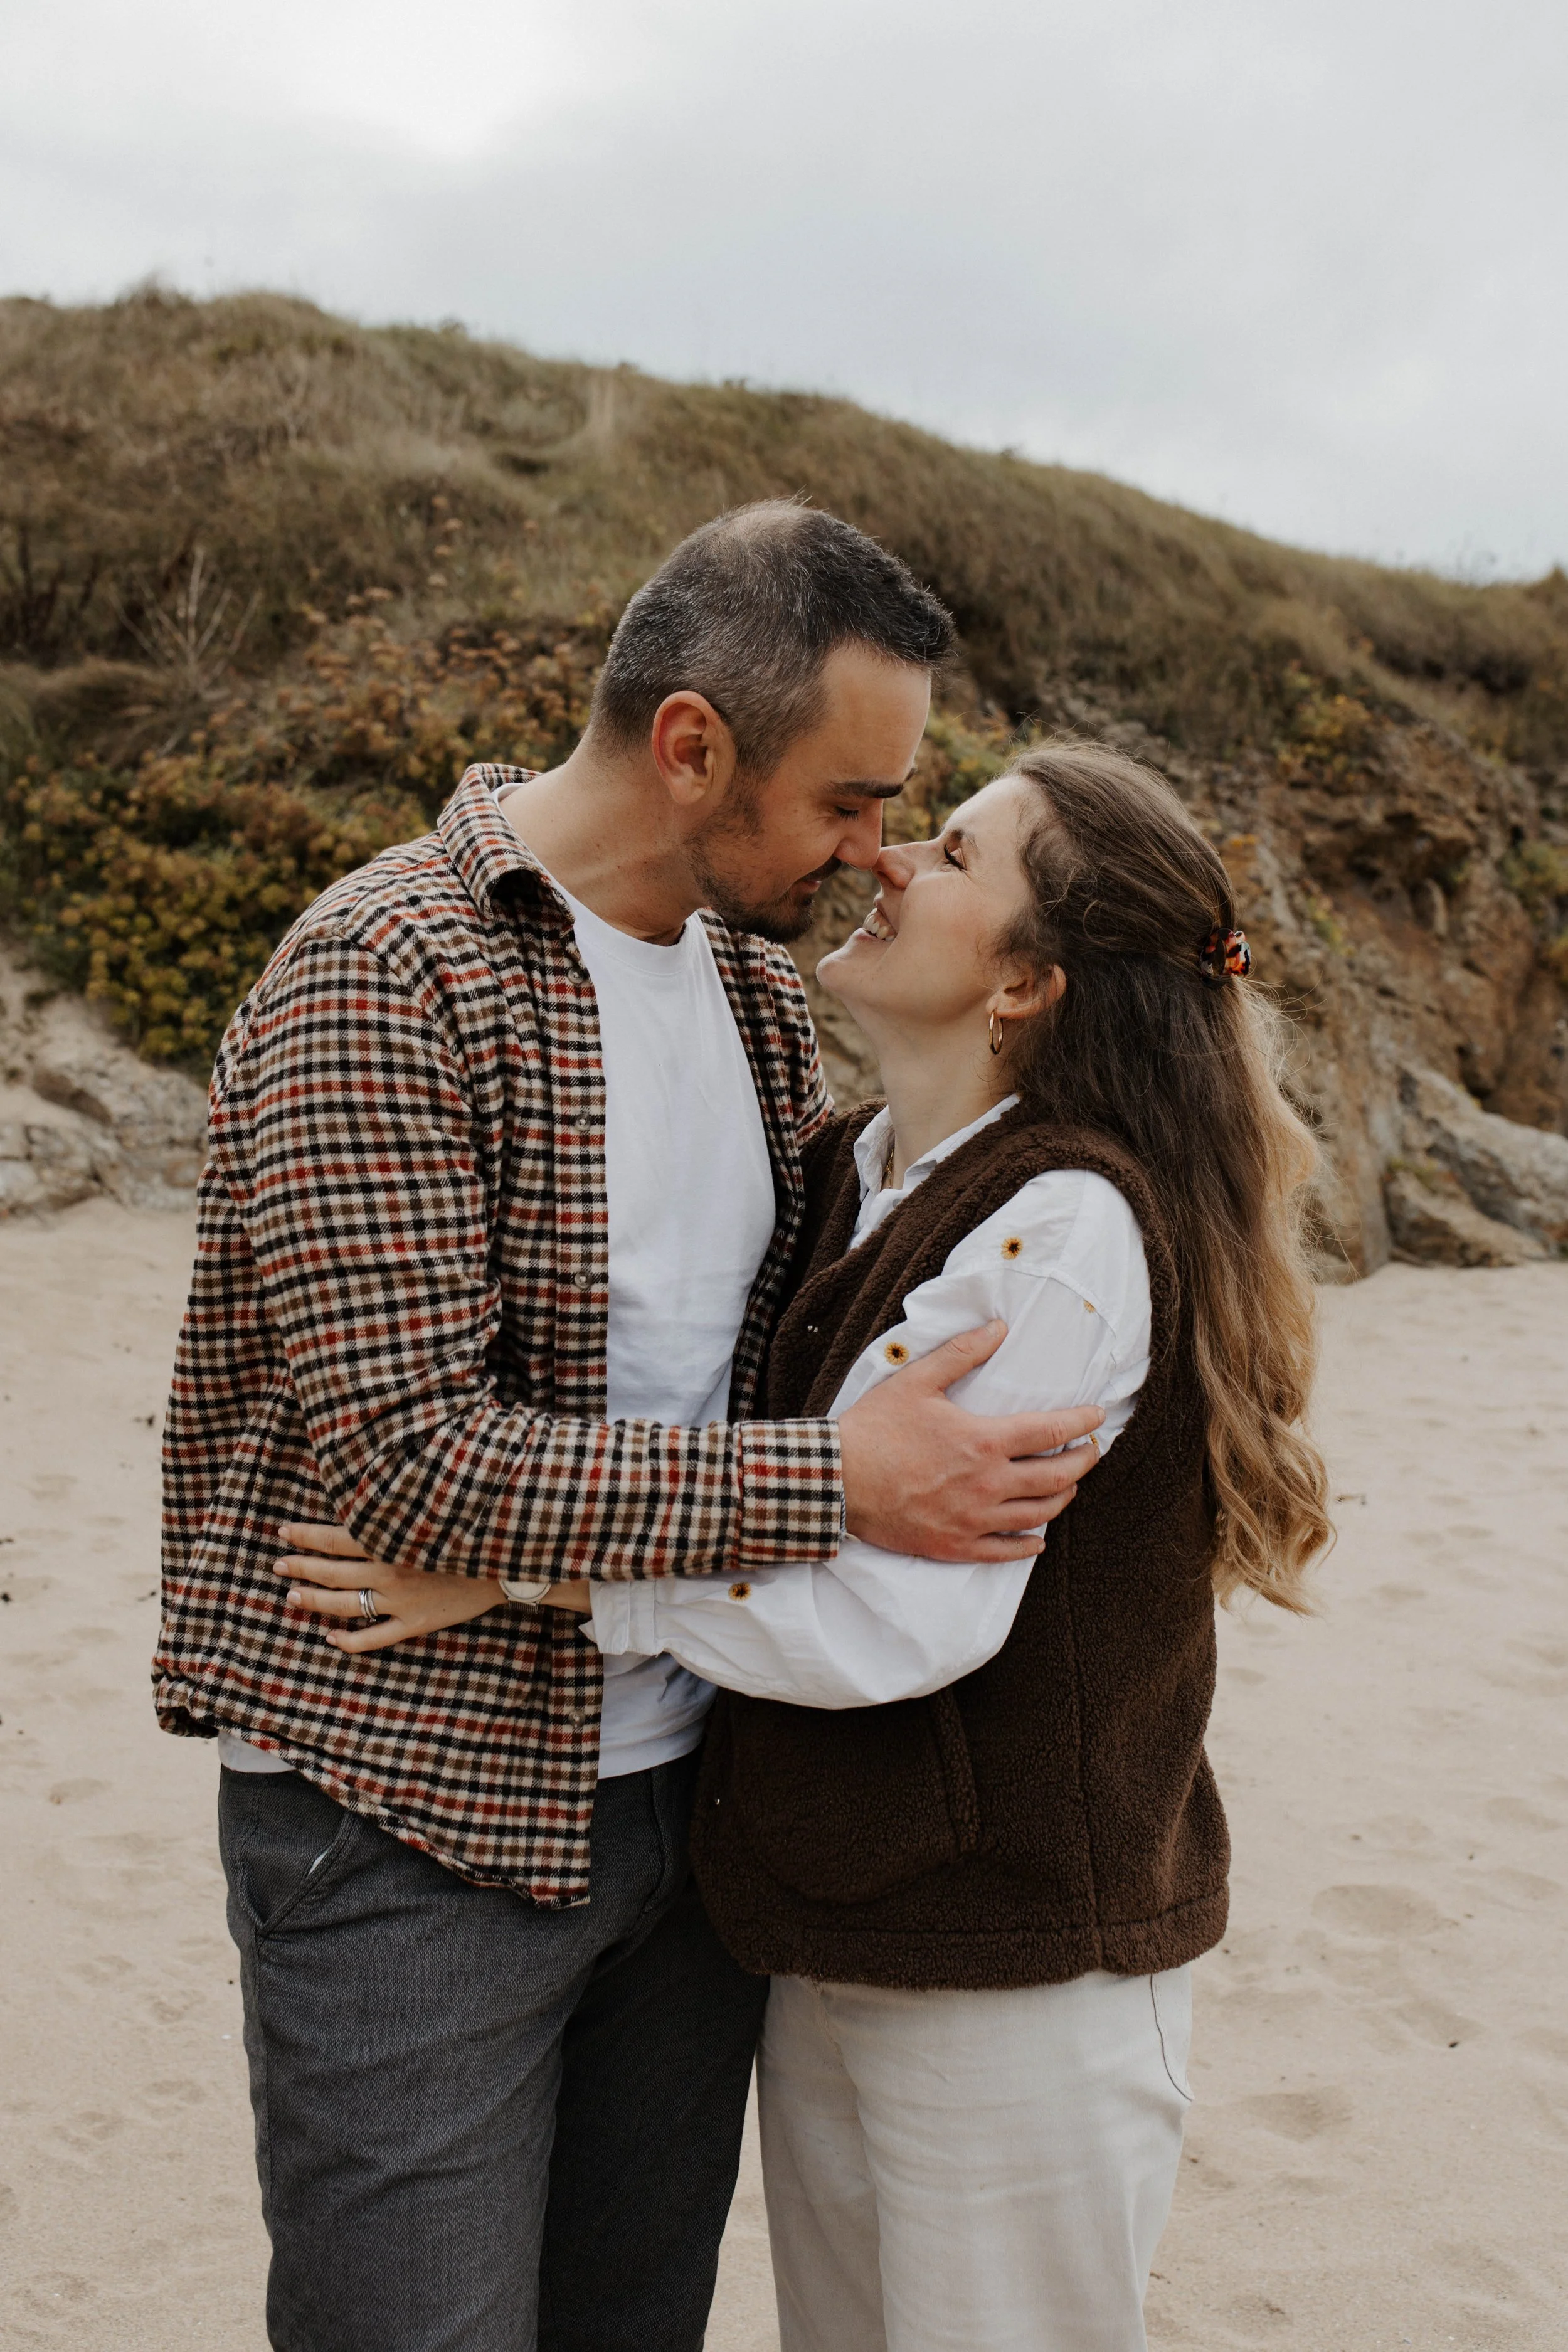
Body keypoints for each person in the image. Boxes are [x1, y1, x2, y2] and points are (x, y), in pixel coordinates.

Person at [155, 502, 1103, 2352]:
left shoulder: (752, 990)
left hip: (687, 1816)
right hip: (411, 1819)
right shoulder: (384, 968)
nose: (873, 849)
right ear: (690, 747)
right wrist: (836, 1480)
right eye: (847, 801)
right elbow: (414, 1461)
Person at [295, 739, 1331, 2351]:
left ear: (1025, 985)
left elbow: (897, 1620)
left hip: (1017, 1972)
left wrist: (530, 1572)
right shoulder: (850, 1173)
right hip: (836, 1937)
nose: (887, 858)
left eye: (956, 853)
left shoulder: (1058, 1228)